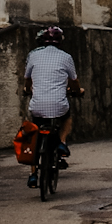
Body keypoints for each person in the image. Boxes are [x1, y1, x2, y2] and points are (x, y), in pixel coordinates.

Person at [22, 26, 83, 183]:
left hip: (37, 106)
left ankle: (33, 174)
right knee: (67, 117)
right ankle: (62, 142)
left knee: (34, 135)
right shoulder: (66, 57)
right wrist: (77, 91)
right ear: (60, 41)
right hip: (58, 105)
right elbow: (74, 81)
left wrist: (27, 90)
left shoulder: (33, 56)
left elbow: (27, 79)